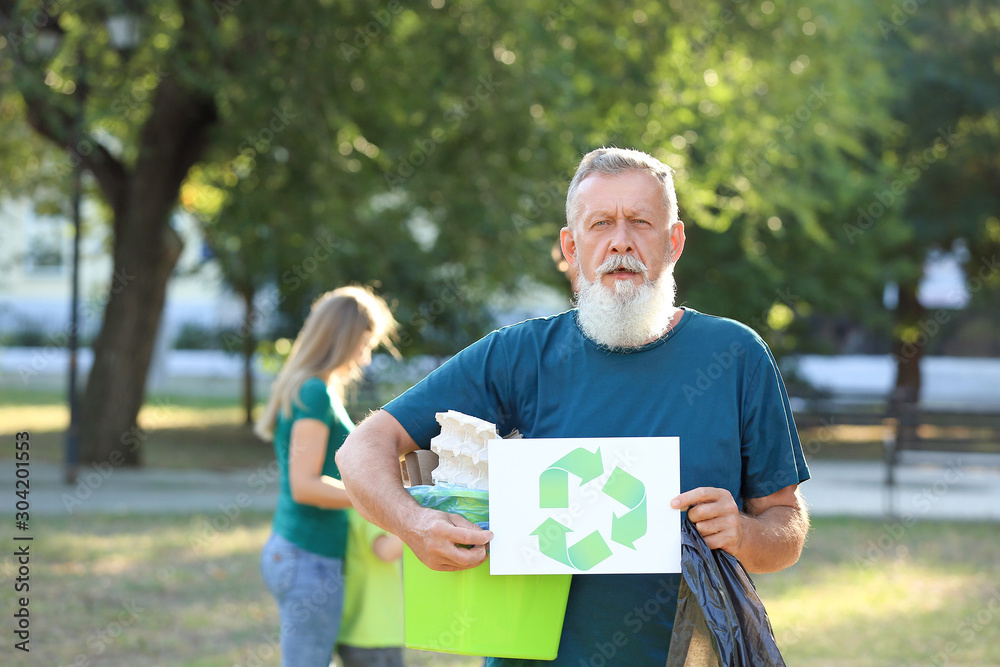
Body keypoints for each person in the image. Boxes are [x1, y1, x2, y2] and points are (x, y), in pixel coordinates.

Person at [335, 148, 810, 665]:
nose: (620, 241)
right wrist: (414, 524)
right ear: (571, 245)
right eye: (600, 223)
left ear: (673, 242)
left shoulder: (735, 355)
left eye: (641, 222)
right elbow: (362, 449)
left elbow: (785, 527)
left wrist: (744, 532)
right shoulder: (518, 355)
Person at [255, 285, 397, 667]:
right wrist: (377, 496)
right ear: (342, 338)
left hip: (304, 553)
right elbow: (304, 486)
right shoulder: (315, 392)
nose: (365, 358)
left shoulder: (315, 389)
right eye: (364, 344)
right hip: (308, 557)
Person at [336, 509, 406, 667]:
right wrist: (416, 526)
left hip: (367, 635)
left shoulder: (352, 510)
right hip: (374, 635)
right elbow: (385, 551)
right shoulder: (367, 510)